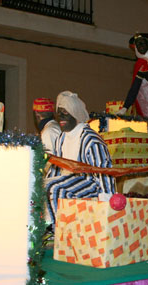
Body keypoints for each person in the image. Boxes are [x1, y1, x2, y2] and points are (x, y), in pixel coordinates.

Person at [46, 91, 116, 226]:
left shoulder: (90, 140)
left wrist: (107, 199)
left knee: (55, 188)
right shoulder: (62, 138)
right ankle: (51, 226)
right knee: (46, 185)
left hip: (91, 184)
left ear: (75, 114)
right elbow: (57, 166)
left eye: (65, 112)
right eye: (58, 112)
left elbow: (104, 171)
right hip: (67, 181)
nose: (60, 116)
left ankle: (60, 231)